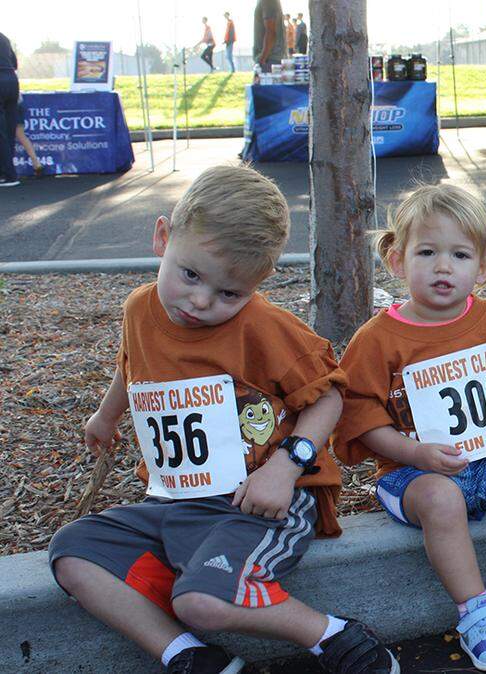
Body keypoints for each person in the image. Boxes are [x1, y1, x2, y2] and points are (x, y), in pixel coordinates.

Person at [46, 166, 400, 674]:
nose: (201, 301)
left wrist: (286, 467)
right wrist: (106, 415)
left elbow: (328, 397)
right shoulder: (140, 309)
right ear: (163, 236)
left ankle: (332, 635)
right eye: (190, 274)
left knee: (201, 603)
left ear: (257, 284)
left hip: (253, 501)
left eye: (229, 293)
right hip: (175, 498)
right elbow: (132, 365)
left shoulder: (264, 327)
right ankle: (188, 656)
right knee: (74, 551)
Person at [334, 184, 486, 671]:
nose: (443, 267)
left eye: (459, 254)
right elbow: (359, 415)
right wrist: (414, 455)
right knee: (441, 499)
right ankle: (477, 610)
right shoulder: (379, 339)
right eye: (426, 252)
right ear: (396, 260)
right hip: (412, 473)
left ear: (484, 266)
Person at [0, 31, 21, 188]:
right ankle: (8, 172)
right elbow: (15, 63)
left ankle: (8, 174)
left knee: (1, 133)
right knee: (9, 130)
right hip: (12, 81)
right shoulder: (4, 37)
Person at [15, 96, 45, 177]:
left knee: (18, 135)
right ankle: (36, 163)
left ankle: (36, 163)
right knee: (21, 135)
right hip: (15, 101)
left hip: (9, 105)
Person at [254, 0, 287, 72]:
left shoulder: (268, 1)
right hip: (270, 60)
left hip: (270, 61)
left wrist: (262, 60)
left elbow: (271, 32)